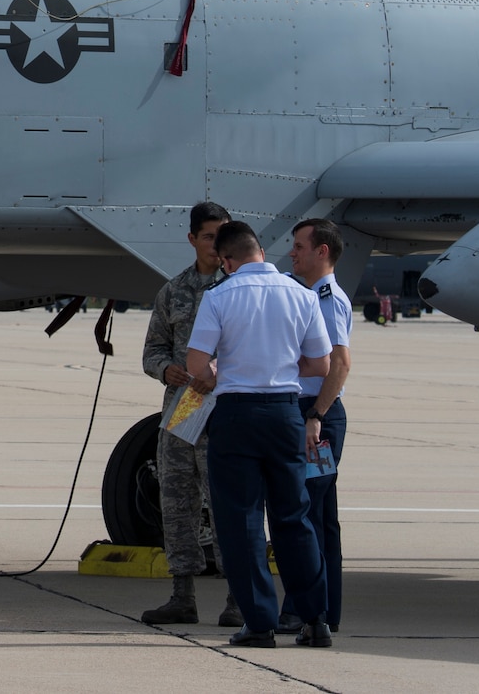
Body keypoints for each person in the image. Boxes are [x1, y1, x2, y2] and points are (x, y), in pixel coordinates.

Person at [185, 221, 334, 650]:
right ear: (261, 253)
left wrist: (219, 374)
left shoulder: (219, 296)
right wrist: (284, 368)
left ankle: (259, 623)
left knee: (243, 522)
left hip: (237, 415)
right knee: (294, 517)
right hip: (286, 413)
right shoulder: (302, 295)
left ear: (226, 261)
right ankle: (314, 619)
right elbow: (321, 364)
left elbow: (197, 363)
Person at [138, 201, 239, 629]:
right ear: (192, 239)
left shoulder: (238, 287)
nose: (217, 245)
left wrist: (222, 372)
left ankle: (239, 596)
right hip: (183, 411)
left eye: (223, 236)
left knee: (228, 504)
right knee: (177, 500)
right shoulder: (174, 290)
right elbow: (152, 349)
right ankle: (182, 594)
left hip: (225, 410)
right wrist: (166, 370)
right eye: (209, 237)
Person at [278, 218, 353, 636]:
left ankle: (299, 609)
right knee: (321, 519)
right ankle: (324, 610)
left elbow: (339, 363)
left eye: (300, 246)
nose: (293, 252)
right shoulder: (308, 293)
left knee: (301, 512)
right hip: (313, 412)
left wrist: (315, 417)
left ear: (321, 251)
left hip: (316, 415)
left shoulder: (326, 298)